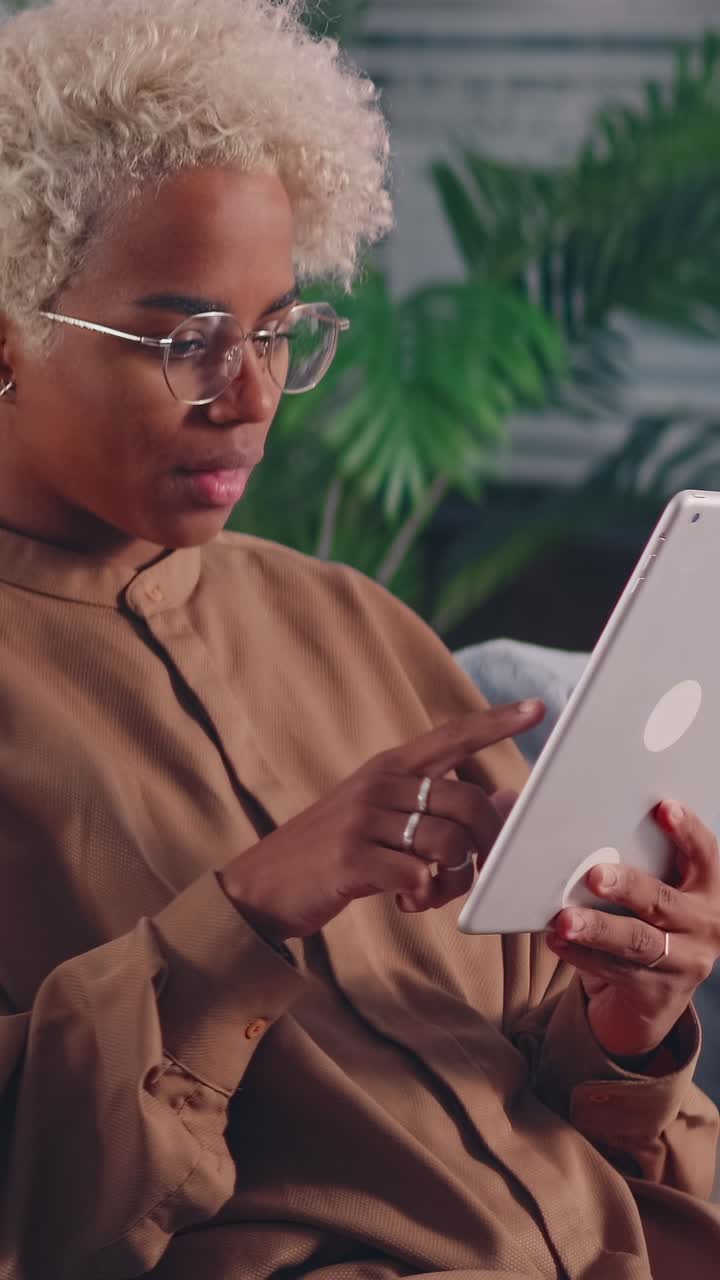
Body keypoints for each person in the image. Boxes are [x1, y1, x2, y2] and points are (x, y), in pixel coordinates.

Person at [0, 1, 717, 1277]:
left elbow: (532, 1076)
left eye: (278, 327)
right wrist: (251, 906)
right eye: (187, 341)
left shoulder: (352, 624)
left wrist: (628, 1025)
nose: (256, 395)